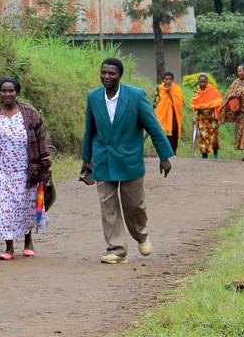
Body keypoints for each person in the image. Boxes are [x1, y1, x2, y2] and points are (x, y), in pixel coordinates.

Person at [81, 58, 173, 264]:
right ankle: (117, 249)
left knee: (135, 205)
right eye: (103, 72)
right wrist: (86, 159)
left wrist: (164, 156)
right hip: (103, 159)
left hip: (129, 159)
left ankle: (141, 235)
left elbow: (153, 126)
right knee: (107, 206)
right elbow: (90, 131)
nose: (106, 76)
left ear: (120, 75)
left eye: (111, 73)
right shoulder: (93, 97)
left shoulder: (136, 96)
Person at [0, 77, 51, 260]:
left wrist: (45, 167)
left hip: (26, 168)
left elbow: (41, 140)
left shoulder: (30, 113)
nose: (7, 94)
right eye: (4, 91)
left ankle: (28, 241)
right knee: (3, 206)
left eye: (11, 91)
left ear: (17, 92)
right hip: (1, 168)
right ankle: (8, 246)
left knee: (24, 205)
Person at [190, 74, 222, 159]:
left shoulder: (212, 89)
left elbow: (219, 101)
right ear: (198, 82)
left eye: (204, 82)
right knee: (203, 136)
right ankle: (204, 154)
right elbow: (194, 104)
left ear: (207, 82)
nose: (202, 83)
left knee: (214, 136)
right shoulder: (197, 91)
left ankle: (216, 153)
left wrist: (217, 115)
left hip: (212, 118)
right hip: (201, 118)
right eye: (201, 82)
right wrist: (194, 116)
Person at [153, 72, 184, 155]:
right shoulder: (159, 89)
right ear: (163, 80)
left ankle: (173, 153)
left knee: (174, 136)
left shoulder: (177, 89)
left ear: (173, 80)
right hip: (162, 117)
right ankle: (164, 153)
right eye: (166, 79)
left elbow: (179, 103)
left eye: (170, 79)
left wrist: (169, 93)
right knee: (163, 136)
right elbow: (155, 104)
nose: (168, 81)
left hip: (174, 118)